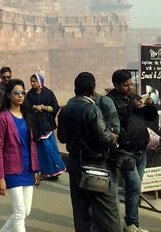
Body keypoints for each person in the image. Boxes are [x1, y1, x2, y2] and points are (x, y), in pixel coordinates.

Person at [57, 72, 120, 232]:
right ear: (93, 88)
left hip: (74, 166)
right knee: (110, 220)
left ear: (75, 89)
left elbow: (62, 138)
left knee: (81, 216)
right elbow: (105, 139)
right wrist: (112, 136)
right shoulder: (92, 109)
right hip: (95, 168)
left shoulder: (66, 109)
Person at [106, 69, 158, 232]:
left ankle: (132, 223)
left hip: (140, 149)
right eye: (125, 85)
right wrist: (130, 107)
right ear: (116, 85)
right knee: (134, 184)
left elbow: (150, 118)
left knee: (135, 187)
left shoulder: (135, 98)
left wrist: (149, 106)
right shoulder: (110, 101)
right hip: (124, 151)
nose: (129, 87)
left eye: (130, 84)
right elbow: (114, 122)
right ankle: (129, 222)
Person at [0, 79, 40, 232]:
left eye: (23, 93)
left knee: (26, 211)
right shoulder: (3, 118)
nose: (20, 96)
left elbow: (32, 144)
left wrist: (36, 169)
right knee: (20, 213)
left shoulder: (27, 116)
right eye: (16, 93)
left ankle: (3, 231)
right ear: (8, 95)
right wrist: (0, 178)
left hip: (28, 168)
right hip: (12, 170)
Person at [26, 74, 65, 180]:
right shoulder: (29, 95)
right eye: (31, 81)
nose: (32, 83)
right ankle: (43, 172)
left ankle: (55, 170)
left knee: (50, 148)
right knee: (40, 150)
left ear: (40, 82)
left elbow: (55, 107)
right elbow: (26, 108)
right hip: (36, 126)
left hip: (47, 125)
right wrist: (34, 107)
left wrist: (44, 108)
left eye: (34, 81)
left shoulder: (48, 93)